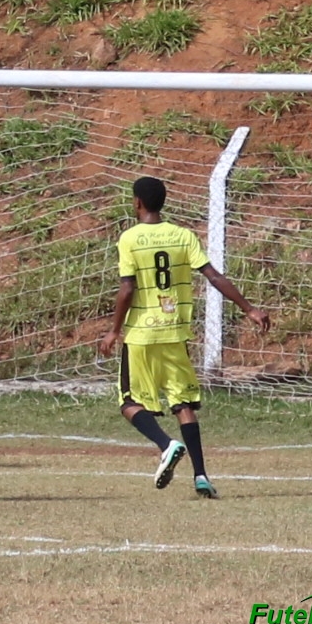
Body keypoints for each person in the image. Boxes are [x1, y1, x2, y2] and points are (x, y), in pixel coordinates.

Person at [98, 176, 271, 499]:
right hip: (175, 331)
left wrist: (114, 330)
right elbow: (213, 276)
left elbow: (127, 288)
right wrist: (249, 308)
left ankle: (166, 445)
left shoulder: (130, 238)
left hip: (141, 334)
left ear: (137, 202)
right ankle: (201, 475)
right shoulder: (183, 235)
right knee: (183, 403)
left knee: (129, 402)